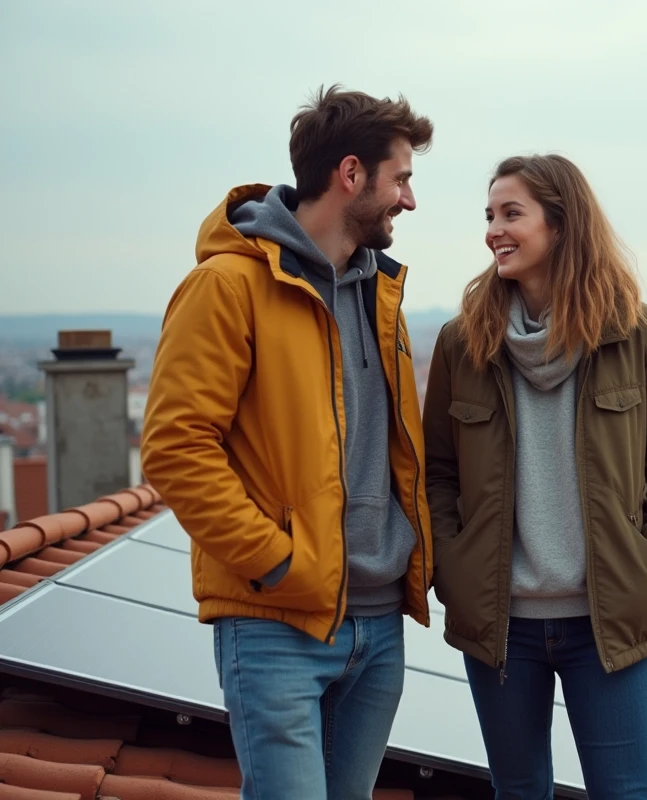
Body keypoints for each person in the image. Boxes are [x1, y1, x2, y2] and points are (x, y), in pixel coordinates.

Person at [140, 85, 435, 800]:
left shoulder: (379, 294)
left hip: (378, 627)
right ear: (352, 174)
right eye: (402, 179)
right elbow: (176, 449)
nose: (409, 201)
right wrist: (277, 563)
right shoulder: (226, 287)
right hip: (276, 624)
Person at [422, 154, 647, 799]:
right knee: (518, 794)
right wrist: (451, 563)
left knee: (624, 794)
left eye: (511, 213)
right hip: (500, 625)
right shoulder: (461, 344)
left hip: (609, 617)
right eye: (489, 215)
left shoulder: (635, 332)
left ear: (562, 223)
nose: (494, 229)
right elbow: (436, 469)